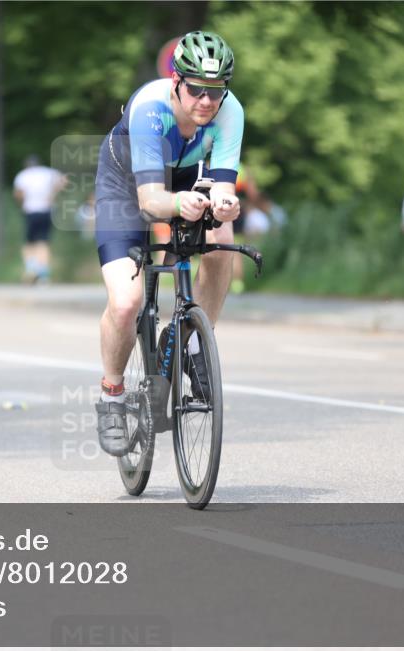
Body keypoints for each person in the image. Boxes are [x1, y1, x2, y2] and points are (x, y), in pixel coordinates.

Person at [93, 30, 243, 456]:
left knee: (221, 234)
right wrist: (180, 203)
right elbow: (150, 201)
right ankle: (111, 396)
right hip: (127, 186)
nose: (207, 101)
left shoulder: (231, 112)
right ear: (176, 81)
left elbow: (224, 186)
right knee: (127, 302)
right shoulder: (150, 110)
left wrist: (225, 204)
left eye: (216, 91)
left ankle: (194, 343)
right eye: (196, 89)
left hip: (183, 179)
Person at [13, 155, 66, 284]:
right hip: (46, 210)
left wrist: (21, 204)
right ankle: (43, 275)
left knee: (29, 242)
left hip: (30, 211)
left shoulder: (23, 175)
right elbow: (64, 180)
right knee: (43, 242)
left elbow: (18, 193)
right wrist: (53, 195)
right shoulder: (47, 172)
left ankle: (31, 269)